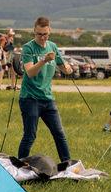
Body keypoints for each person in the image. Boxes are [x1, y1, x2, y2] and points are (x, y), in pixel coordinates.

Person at [18, 16, 73, 163]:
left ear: (49, 32)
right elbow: (30, 73)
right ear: (34, 32)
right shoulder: (28, 48)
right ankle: (20, 165)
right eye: (39, 34)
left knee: (59, 133)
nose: (42, 38)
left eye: (45, 34)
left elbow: (63, 68)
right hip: (30, 98)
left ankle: (67, 164)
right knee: (30, 136)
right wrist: (44, 60)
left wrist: (67, 68)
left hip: (48, 99)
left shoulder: (52, 47)